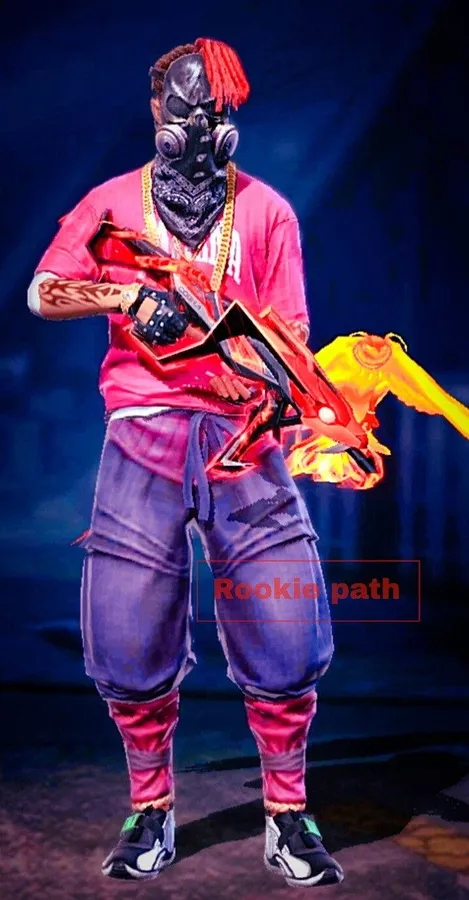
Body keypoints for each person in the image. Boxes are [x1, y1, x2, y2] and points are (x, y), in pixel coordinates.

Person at [28, 37, 344, 888]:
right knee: (127, 635)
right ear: (155, 110)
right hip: (144, 435)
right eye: (184, 107)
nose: (200, 125)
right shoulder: (110, 203)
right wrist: (126, 293)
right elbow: (42, 290)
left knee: (285, 631)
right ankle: (150, 807)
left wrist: (284, 385)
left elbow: (293, 335)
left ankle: (287, 812)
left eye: (216, 111)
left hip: (246, 438)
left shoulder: (266, 211)